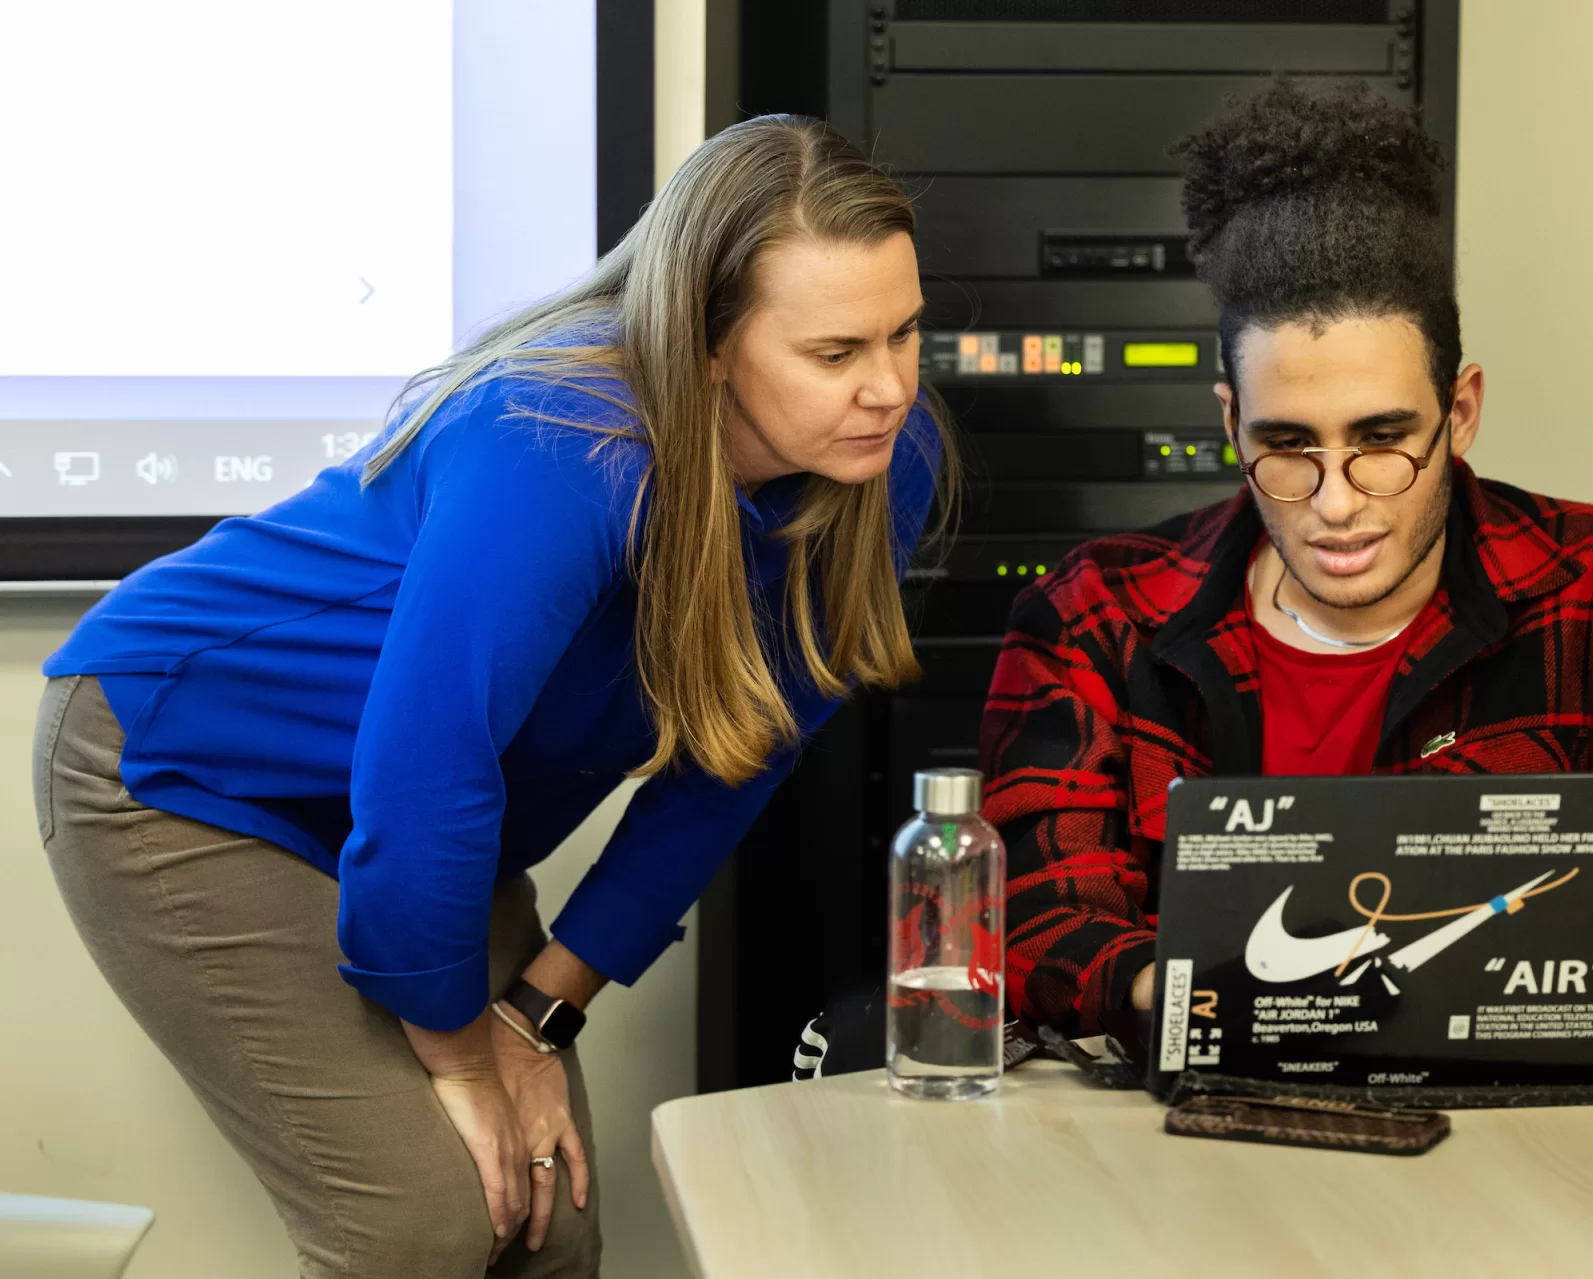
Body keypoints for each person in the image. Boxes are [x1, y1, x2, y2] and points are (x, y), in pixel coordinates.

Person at [33, 115, 950, 1278]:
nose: (886, 388)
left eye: (905, 333)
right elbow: (429, 768)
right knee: (419, 1224)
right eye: (833, 354)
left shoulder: (880, 460)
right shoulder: (557, 440)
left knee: (544, 1211)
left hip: (421, 795)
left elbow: (738, 759)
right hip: (187, 759)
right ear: (708, 343)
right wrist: (465, 1058)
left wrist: (536, 1016)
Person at [978, 80, 1593, 1054]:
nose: (1335, 501)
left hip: (1527, 1164)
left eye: (1382, 441)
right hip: (1193, 1158)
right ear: (1227, 422)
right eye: (1286, 445)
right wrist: (1214, 999)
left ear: (1458, 412)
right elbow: (1038, 925)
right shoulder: (1094, 614)